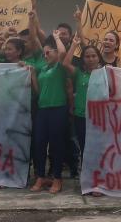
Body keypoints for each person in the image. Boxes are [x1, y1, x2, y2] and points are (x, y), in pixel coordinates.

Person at [25, 32, 71, 194]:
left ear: (55, 53)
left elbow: (64, 53)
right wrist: (32, 74)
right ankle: (40, 176)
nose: (45, 56)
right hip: (43, 110)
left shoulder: (60, 67)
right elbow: (38, 91)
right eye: (43, 53)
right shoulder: (43, 68)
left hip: (58, 109)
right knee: (39, 144)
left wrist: (57, 37)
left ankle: (57, 178)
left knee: (56, 145)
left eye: (48, 52)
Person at [64, 44, 102, 164]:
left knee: (98, 148)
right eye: (87, 56)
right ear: (83, 59)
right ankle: (86, 178)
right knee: (84, 146)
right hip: (81, 116)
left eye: (93, 56)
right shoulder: (79, 73)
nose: (90, 59)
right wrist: (74, 45)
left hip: (99, 118)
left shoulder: (105, 74)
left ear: (99, 58)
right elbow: (65, 64)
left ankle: (98, 177)